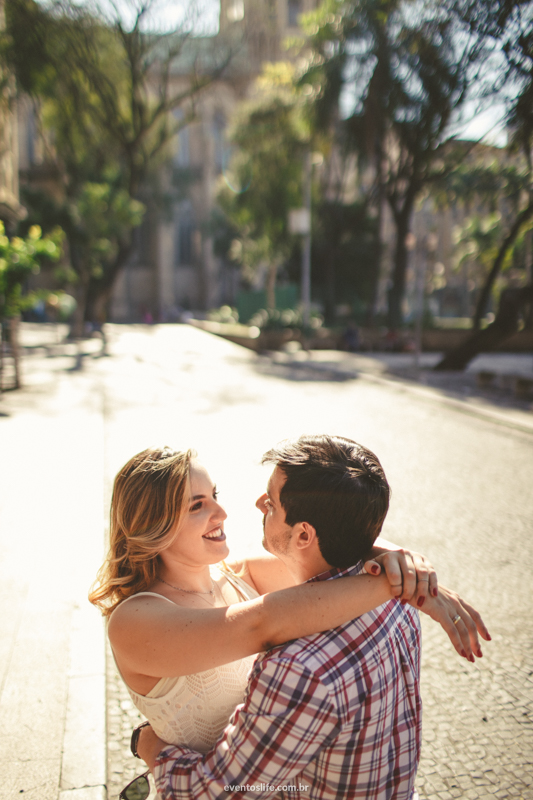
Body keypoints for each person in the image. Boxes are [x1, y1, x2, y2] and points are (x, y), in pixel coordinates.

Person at [132, 435, 490, 799]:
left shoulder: (298, 668)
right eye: (198, 504)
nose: (242, 508)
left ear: (304, 533)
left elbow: (215, 793)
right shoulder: (393, 599)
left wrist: (147, 744)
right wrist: (404, 571)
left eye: (269, 502)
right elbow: (266, 613)